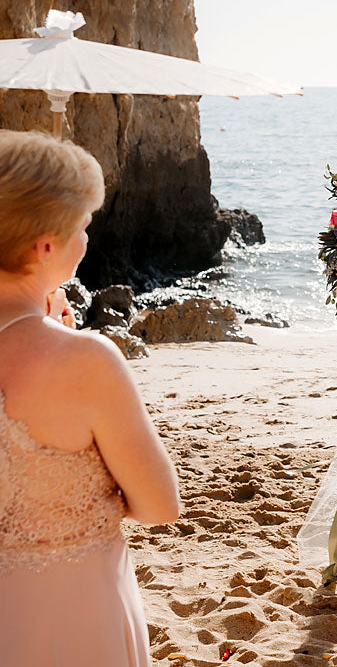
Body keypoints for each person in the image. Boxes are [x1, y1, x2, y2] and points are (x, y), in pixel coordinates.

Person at [0, 130, 180, 666]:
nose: (87, 239)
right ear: (45, 245)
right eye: (83, 225)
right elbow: (160, 505)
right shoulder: (86, 362)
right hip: (73, 614)